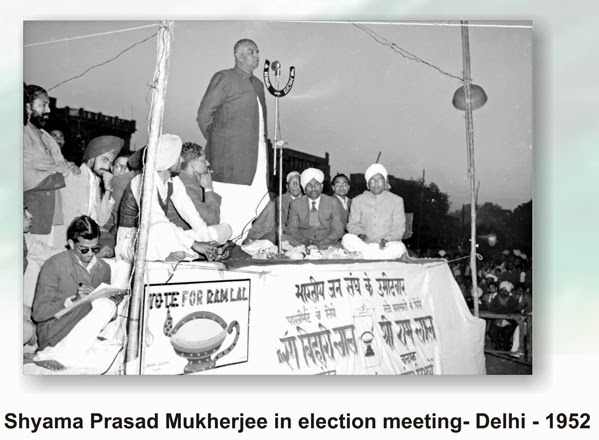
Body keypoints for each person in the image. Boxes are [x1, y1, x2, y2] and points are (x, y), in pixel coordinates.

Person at [116, 134, 232, 262]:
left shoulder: (174, 181)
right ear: (168, 160)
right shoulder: (142, 182)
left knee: (223, 230)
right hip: (132, 241)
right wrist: (195, 244)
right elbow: (157, 222)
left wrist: (208, 243)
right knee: (163, 229)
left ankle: (184, 253)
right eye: (178, 157)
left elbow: (192, 215)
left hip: (165, 236)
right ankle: (186, 253)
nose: (182, 161)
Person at [196, 38, 269, 243]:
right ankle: (222, 249)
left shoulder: (258, 84)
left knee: (254, 203)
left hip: (256, 159)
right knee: (228, 208)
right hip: (229, 161)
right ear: (238, 56)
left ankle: (238, 245)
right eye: (251, 51)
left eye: (257, 52)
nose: (256, 56)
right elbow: (204, 116)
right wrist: (221, 144)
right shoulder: (224, 77)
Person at [31, 216, 125, 371]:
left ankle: (65, 355)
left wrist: (114, 304)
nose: (90, 254)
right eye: (84, 249)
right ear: (70, 244)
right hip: (55, 331)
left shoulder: (103, 268)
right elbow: (39, 314)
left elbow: (102, 316)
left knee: (116, 354)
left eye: (95, 248)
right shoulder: (54, 265)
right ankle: (47, 355)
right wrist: (74, 300)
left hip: (82, 331)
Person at [23, 84, 80, 246]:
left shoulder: (43, 134)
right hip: (31, 210)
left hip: (49, 211)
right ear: (27, 106)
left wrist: (67, 165)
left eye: (48, 105)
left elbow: (58, 162)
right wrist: (61, 174)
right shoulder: (21, 133)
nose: (48, 110)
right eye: (42, 105)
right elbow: (26, 175)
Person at [60, 135, 124, 253]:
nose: (107, 167)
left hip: (83, 244)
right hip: (63, 243)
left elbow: (101, 220)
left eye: (110, 163)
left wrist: (108, 190)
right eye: (104, 160)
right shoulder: (72, 173)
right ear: (91, 157)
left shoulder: (97, 183)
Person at [341, 164, 407, 259]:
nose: (376, 183)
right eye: (373, 180)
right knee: (346, 239)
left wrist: (386, 240)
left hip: (387, 245)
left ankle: (367, 256)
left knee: (399, 247)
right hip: (365, 244)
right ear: (368, 185)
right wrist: (361, 235)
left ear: (384, 184)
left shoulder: (396, 200)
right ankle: (378, 257)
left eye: (380, 180)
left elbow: (399, 228)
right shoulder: (358, 200)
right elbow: (352, 224)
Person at [167, 142, 222, 228]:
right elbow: (211, 221)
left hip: (181, 229)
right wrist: (208, 188)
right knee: (224, 229)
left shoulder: (184, 178)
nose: (208, 163)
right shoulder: (187, 186)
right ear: (193, 164)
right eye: (203, 160)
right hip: (181, 233)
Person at [286, 168, 344, 249]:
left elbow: (338, 229)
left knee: (340, 246)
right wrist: (305, 241)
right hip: (302, 242)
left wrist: (323, 242)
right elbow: (292, 229)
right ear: (304, 189)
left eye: (316, 184)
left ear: (321, 187)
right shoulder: (295, 204)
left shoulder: (332, 202)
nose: (313, 188)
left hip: (326, 241)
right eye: (309, 185)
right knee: (283, 240)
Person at [243, 170, 302, 244]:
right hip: (278, 236)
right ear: (287, 186)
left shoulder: (307, 201)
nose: (295, 185)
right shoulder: (278, 201)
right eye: (292, 182)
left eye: (298, 182)